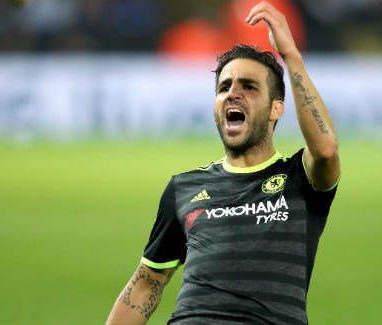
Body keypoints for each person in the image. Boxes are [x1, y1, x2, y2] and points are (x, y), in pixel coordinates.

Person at [106, 1, 340, 324]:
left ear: (276, 108)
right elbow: (147, 284)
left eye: (249, 86)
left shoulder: (299, 178)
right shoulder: (184, 187)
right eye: (224, 87)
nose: (233, 93)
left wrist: (291, 57)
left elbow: (326, 150)